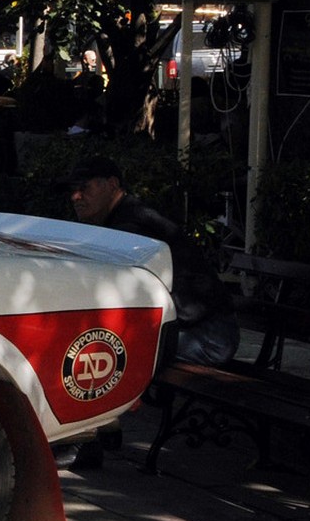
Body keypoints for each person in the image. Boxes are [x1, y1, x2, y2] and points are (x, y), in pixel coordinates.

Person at [63, 156, 238, 365]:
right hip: (195, 328)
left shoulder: (130, 230)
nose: (76, 196)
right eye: (73, 190)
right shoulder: (127, 218)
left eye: (84, 188)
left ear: (112, 185)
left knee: (107, 349)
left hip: (210, 336)